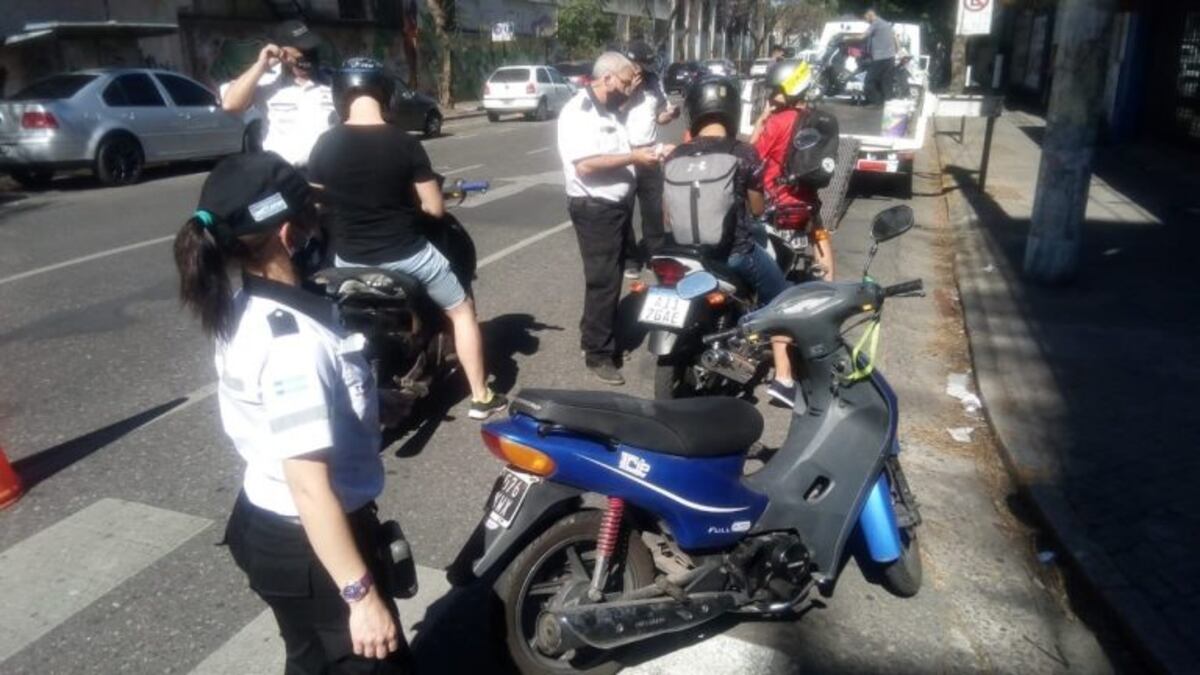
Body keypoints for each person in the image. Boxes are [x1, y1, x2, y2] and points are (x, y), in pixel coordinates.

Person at [173, 152, 411, 673]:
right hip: (315, 547)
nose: (320, 228)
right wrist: (361, 596)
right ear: (289, 235)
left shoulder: (244, 306)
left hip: (266, 527)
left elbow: (279, 413)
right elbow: (308, 485)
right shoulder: (292, 345)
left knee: (307, 660)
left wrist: (366, 408)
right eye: (312, 217)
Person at [308, 58, 507, 420]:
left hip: (348, 260)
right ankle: (481, 396)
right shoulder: (403, 143)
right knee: (462, 310)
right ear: (386, 93)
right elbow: (434, 209)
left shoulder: (324, 144)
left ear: (341, 94)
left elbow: (318, 200)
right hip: (406, 256)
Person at [663, 75, 797, 406]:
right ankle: (783, 379)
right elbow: (756, 207)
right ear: (732, 113)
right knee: (785, 301)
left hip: (684, 255)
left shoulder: (675, 155)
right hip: (735, 254)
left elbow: (667, 212)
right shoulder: (744, 153)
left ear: (693, 113)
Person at [556, 51, 662, 386]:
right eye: (628, 81)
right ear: (608, 78)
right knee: (603, 280)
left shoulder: (611, 110)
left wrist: (652, 153)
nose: (632, 88)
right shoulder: (580, 112)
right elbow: (586, 164)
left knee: (613, 276)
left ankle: (598, 333)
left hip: (615, 205)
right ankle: (597, 353)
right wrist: (634, 156)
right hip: (595, 208)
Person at [750, 59, 836, 285]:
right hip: (805, 203)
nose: (771, 96)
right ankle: (827, 288)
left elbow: (750, 158)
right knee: (819, 234)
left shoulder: (777, 122)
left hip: (773, 203)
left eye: (776, 90)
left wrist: (760, 122)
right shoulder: (816, 119)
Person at [221, 20, 335, 168]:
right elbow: (231, 105)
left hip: (324, 173)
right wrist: (261, 65)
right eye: (301, 49)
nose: (307, 54)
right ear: (282, 52)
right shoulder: (264, 80)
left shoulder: (331, 81)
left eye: (310, 49)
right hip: (282, 173)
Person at [621, 41, 680, 279]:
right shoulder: (618, 80)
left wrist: (671, 114)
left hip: (650, 152)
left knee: (653, 209)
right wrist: (628, 93)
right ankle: (630, 259)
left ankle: (655, 255)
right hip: (623, 155)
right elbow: (612, 113)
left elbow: (660, 117)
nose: (640, 70)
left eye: (644, 65)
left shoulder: (654, 81)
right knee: (623, 210)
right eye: (638, 65)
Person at [861, 8, 898, 107]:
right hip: (890, 57)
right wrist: (898, 51)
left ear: (870, 15)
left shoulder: (875, 23)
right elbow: (895, 38)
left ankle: (877, 102)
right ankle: (888, 104)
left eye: (866, 18)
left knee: (869, 81)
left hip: (880, 58)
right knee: (886, 82)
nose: (866, 21)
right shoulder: (886, 24)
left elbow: (862, 36)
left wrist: (846, 38)